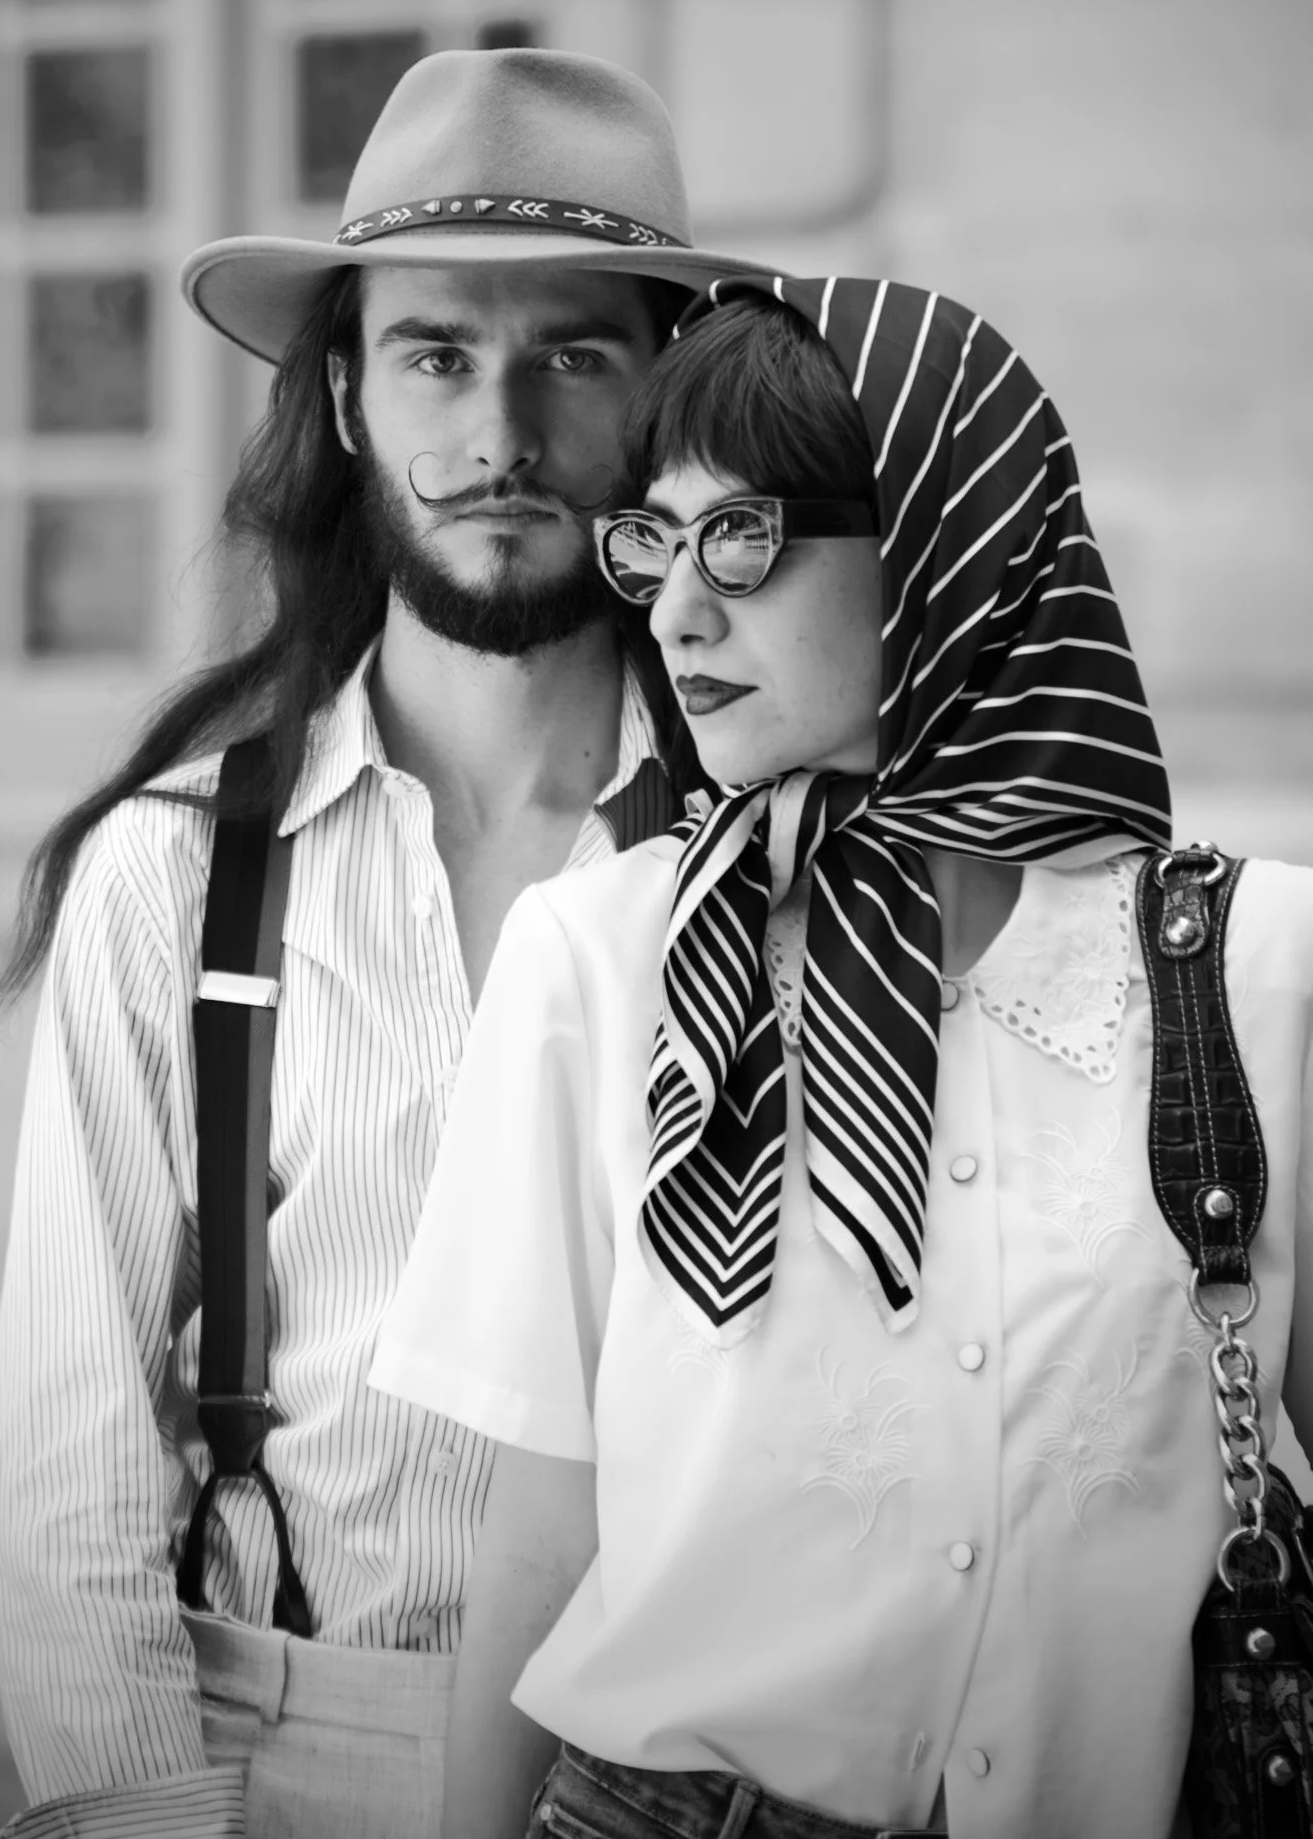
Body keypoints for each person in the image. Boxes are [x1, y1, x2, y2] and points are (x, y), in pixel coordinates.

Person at [370, 273, 1313, 1839]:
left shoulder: (1256, 970)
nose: (676, 611)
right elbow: (541, 1537)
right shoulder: (596, 962)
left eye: (743, 534)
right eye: (651, 543)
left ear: (951, 539)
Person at [0, 48, 776, 1839]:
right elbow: (71, 1478)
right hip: (276, 1742)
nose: (496, 436)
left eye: (572, 353)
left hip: (700, 1766)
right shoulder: (171, 878)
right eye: (435, 354)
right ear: (342, 398)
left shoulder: (775, 863)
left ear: (663, 400)